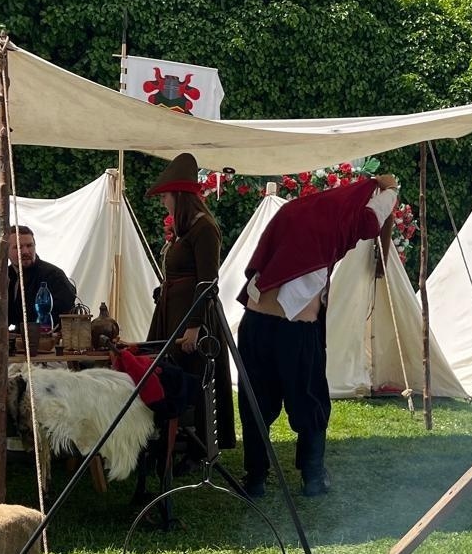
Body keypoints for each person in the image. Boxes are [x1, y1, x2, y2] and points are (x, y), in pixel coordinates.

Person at [237, 172, 398, 497]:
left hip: (255, 324)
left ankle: (255, 478)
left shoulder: (290, 213)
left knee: (255, 403)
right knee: (309, 401)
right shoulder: (337, 222)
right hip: (295, 331)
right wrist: (391, 189)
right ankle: (312, 476)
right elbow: (372, 219)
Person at [146, 153, 236, 455]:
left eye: (166, 196)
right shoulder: (186, 231)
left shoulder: (204, 229)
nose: (163, 203)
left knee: (196, 379)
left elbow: (208, 281)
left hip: (193, 319)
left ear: (180, 197)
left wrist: (195, 326)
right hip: (172, 313)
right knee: (172, 376)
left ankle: (200, 448)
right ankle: (172, 440)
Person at [0, 225, 78, 335]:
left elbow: (62, 312)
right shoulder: (7, 275)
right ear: (6, 251)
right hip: (21, 342)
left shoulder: (53, 275)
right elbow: (1, 312)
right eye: (18, 247)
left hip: (48, 342)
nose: (26, 251)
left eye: (29, 246)